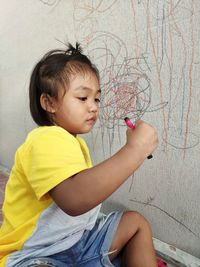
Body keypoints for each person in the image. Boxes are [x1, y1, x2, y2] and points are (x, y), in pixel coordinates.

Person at [0, 42, 158, 267]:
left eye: (97, 99)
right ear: (49, 102)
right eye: (83, 98)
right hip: (36, 255)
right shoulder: (44, 139)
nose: (93, 107)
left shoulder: (74, 143)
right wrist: (135, 150)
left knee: (135, 223)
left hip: (78, 244)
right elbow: (74, 199)